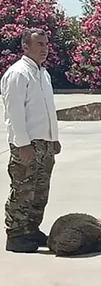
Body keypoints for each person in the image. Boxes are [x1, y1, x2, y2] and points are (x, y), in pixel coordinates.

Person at [1, 28, 61, 253]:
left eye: (46, 44)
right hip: (28, 143)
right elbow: (14, 113)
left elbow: (48, 110)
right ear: (25, 47)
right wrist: (22, 144)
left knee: (39, 190)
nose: (44, 48)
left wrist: (54, 139)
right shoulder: (18, 73)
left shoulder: (42, 73)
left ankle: (31, 230)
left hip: (44, 142)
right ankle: (16, 235)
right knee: (23, 190)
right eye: (39, 44)